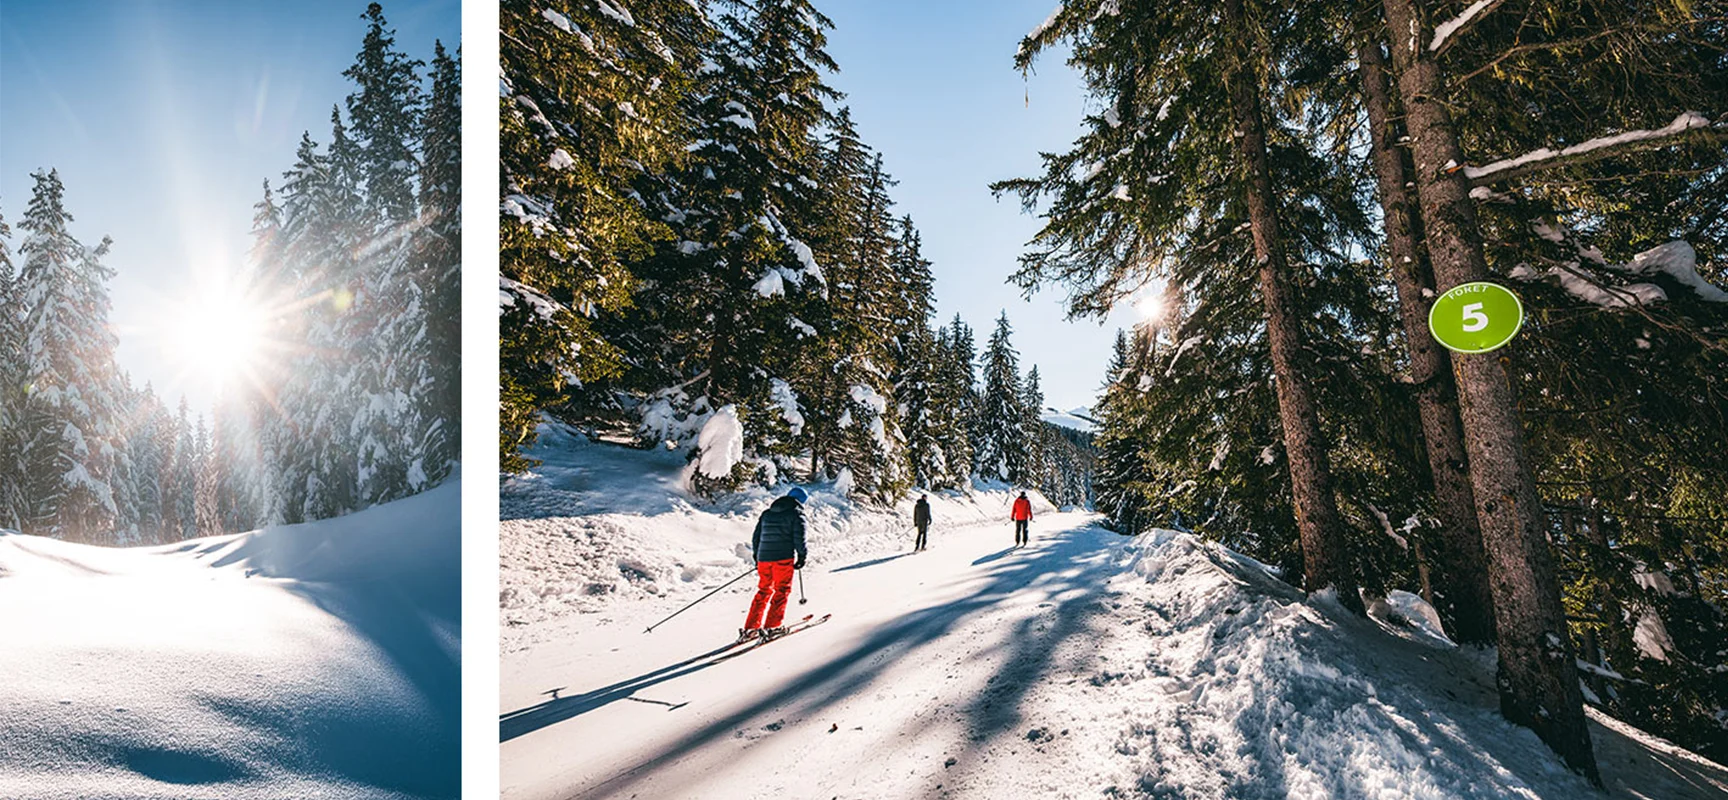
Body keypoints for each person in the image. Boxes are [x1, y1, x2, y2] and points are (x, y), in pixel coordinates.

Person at [740, 487, 809, 642]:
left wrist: (757, 557)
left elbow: (756, 537)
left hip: (764, 558)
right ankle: (773, 626)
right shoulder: (796, 514)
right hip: (783, 558)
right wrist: (802, 557)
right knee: (781, 590)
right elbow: (800, 538)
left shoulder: (767, 513)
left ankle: (751, 628)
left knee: (763, 591)